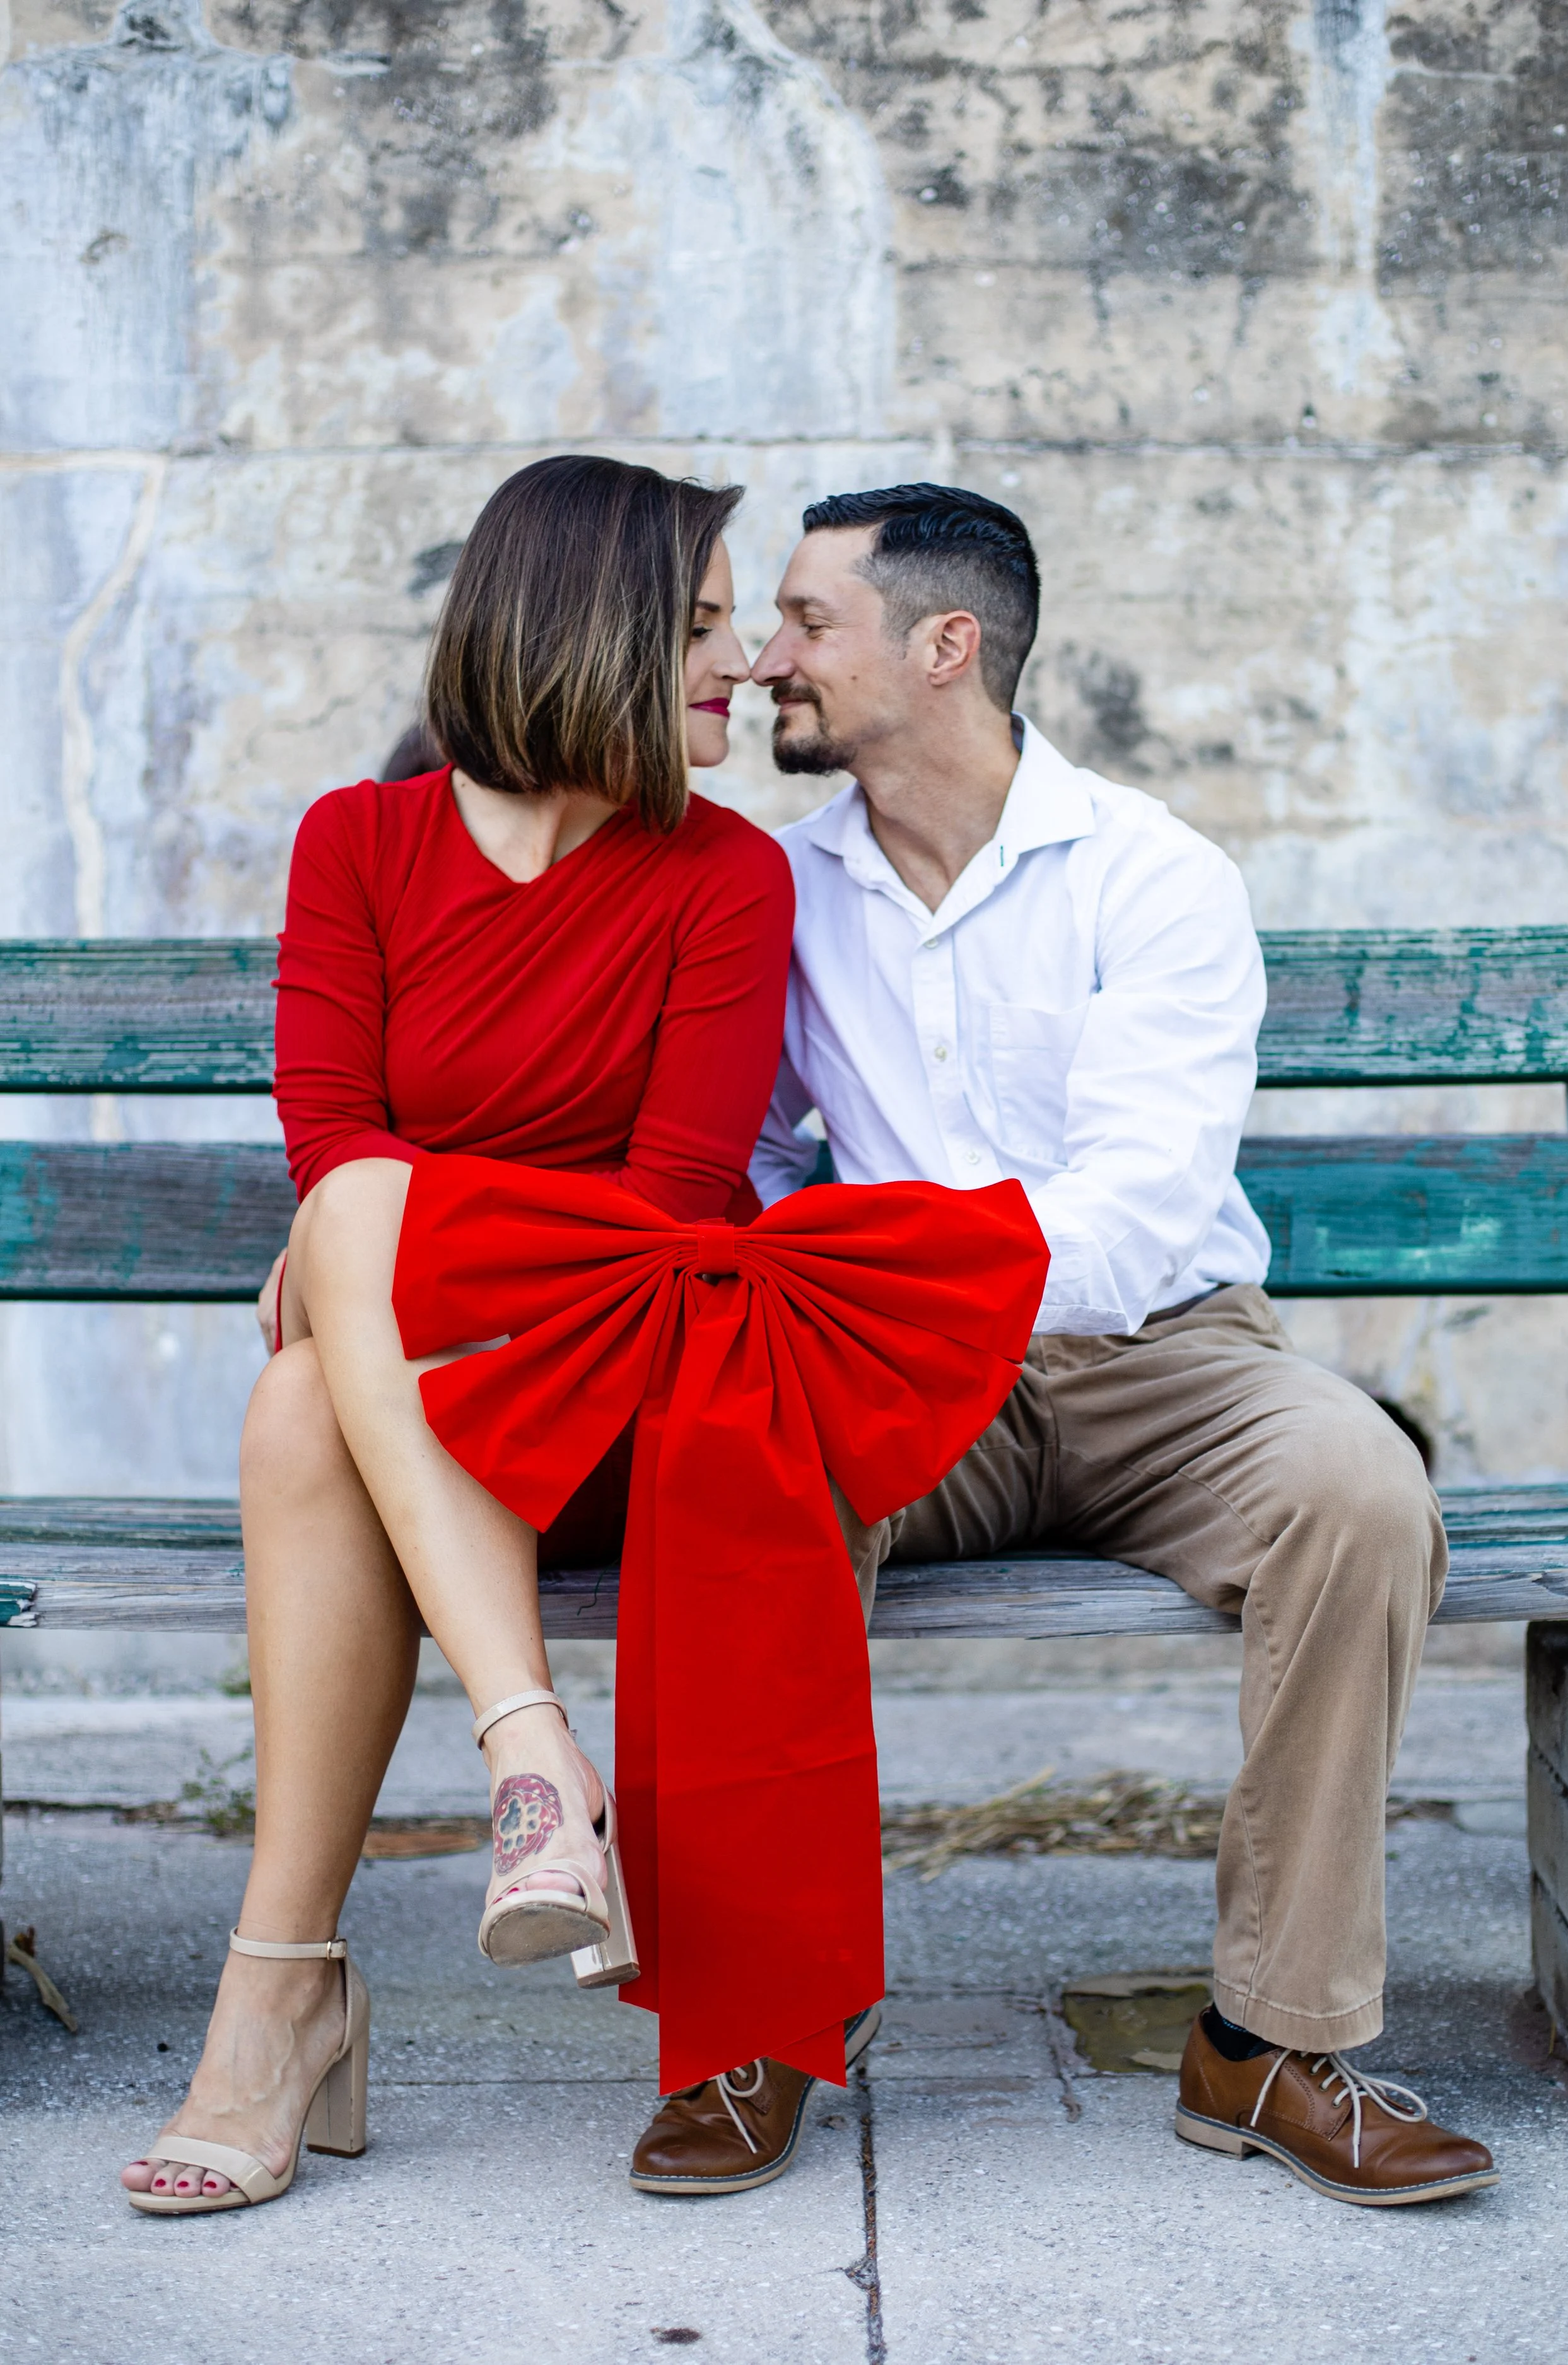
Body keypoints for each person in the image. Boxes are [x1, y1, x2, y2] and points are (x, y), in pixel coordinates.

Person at [627, 482, 1499, 2209]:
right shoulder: (772, 886)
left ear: (942, 649)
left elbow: (1128, 1219)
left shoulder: (1150, 876)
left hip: (1164, 1362)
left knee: (1357, 1491)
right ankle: (760, 2019)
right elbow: (749, 1152)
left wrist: (861, 1248)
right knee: (733, 1471)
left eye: (808, 623)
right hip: (897, 1368)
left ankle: (1270, 2042)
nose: (763, 660)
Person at [121, 453, 795, 2212]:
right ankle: (523, 1769)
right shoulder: (361, 841)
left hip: (622, 1405)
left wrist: (395, 1233)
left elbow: (673, 1207)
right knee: (303, 1393)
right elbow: (330, 1124)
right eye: (705, 628)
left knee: (337, 1292)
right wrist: (380, 1226)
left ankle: (287, 2007)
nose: (745, 666)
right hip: (419, 1406)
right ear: (594, 634)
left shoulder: (724, 879)